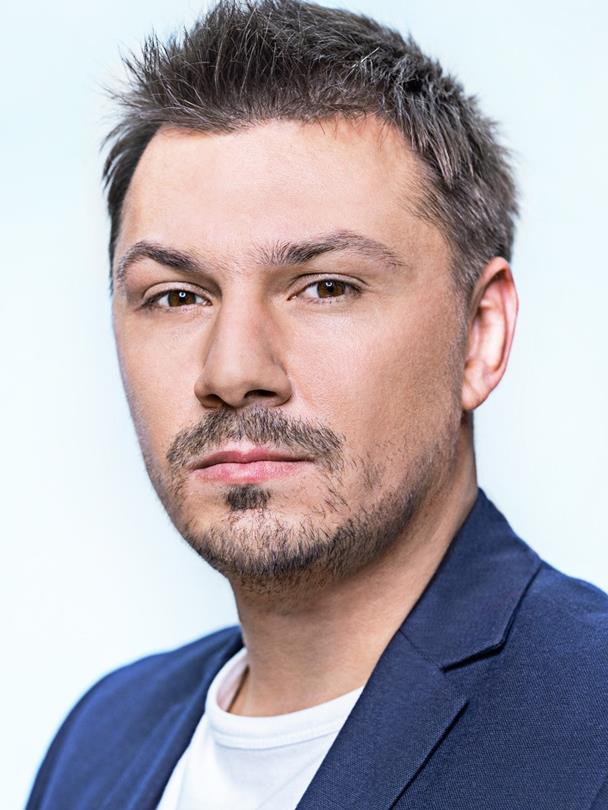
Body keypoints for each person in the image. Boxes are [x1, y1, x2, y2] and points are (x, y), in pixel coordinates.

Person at [26, 0, 608, 807]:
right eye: (176, 296)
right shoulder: (98, 742)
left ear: (480, 334)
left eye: (326, 287)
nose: (233, 371)